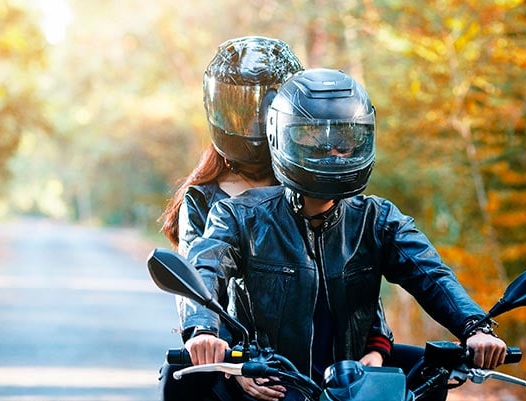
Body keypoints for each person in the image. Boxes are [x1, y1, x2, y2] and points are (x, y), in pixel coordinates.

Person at [182, 68, 507, 401]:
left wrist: (475, 327)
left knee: (430, 377)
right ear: (281, 138)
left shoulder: (377, 219)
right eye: (315, 142)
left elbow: (430, 274)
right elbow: (206, 268)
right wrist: (205, 331)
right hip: (271, 382)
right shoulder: (240, 216)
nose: (333, 154)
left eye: (345, 142)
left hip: (354, 383)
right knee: (181, 383)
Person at [158, 38, 394, 401]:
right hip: (244, 361)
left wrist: (375, 345)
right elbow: (202, 285)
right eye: (241, 110)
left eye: (264, 107)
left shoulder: (312, 177)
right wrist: (233, 365)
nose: (253, 120)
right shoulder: (202, 198)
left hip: (331, 358)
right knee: (179, 382)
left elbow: (352, 263)